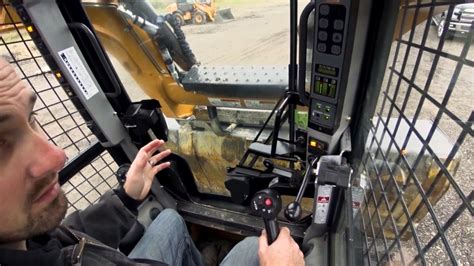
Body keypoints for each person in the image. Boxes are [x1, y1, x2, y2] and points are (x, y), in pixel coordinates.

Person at [0, 56, 304, 265]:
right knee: (253, 247)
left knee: (170, 220)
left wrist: (125, 199)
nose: (57, 156)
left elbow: (63, 236)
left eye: (32, 118)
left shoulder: (27, 242)